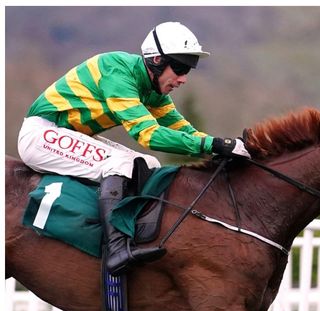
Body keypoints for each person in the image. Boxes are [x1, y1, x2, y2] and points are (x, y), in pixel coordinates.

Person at [17, 21, 251, 274]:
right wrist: (211, 144)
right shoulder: (116, 69)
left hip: (65, 135)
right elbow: (147, 135)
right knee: (121, 164)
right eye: (180, 68)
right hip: (41, 135)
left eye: (188, 71)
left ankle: (133, 234)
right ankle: (116, 249)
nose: (183, 79)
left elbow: (184, 131)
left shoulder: (154, 92)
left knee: (148, 163)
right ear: (157, 60)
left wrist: (224, 147)